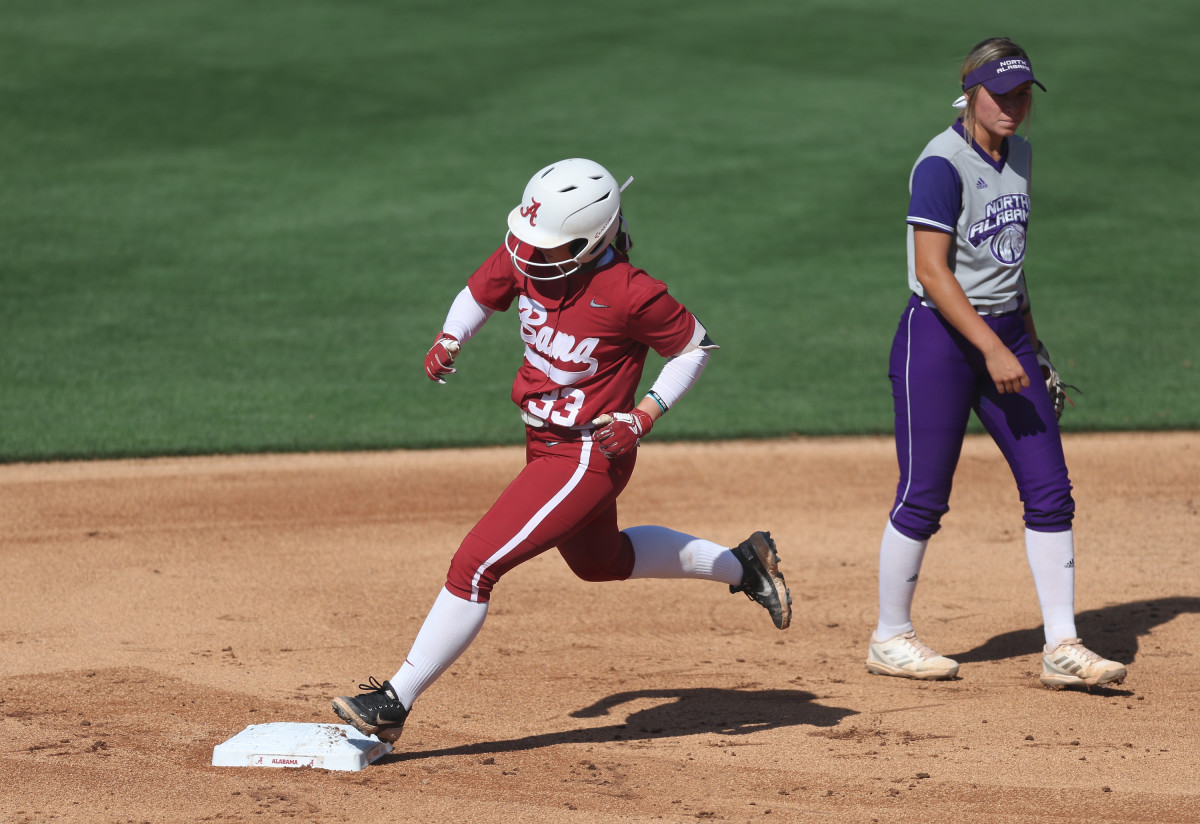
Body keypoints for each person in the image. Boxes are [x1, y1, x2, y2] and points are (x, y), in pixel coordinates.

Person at [332, 157, 792, 743]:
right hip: (543, 441)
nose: (526, 255)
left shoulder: (629, 292)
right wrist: (452, 335)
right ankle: (745, 565)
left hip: (587, 454)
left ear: (592, 240)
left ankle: (395, 701)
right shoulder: (534, 256)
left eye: (545, 246)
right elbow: (480, 291)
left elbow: (694, 348)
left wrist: (644, 414)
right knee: (600, 563)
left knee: (474, 567)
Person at [866, 38, 1126, 689]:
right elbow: (931, 271)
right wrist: (990, 346)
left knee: (1050, 491)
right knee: (923, 496)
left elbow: (1011, 265)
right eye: (1000, 93)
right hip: (940, 342)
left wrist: (1030, 346)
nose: (1013, 106)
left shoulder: (1020, 158)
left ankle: (1062, 645)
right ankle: (890, 636)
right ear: (971, 91)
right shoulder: (941, 163)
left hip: (1006, 338)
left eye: (1022, 95)